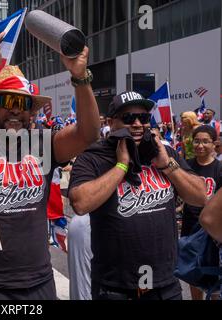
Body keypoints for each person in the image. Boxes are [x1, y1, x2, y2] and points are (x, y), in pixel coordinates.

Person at [0, 33, 100, 300]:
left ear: (31, 112)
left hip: (38, 281)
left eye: (22, 104)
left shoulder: (43, 144)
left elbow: (88, 134)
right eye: (7, 102)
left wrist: (81, 77)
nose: (15, 110)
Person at [69, 92, 207, 300]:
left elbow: (200, 196)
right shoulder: (93, 157)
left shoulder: (163, 153)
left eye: (143, 118)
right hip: (116, 288)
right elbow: (80, 203)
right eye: (128, 118)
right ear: (110, 122)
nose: (137, 124)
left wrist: (168, 166)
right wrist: (121, 166)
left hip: (165, 285)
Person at [180, 125, 222, 299]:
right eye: (197, 141)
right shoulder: (186, 166)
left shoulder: (219, 168)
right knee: (192, 273)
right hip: (190, 228)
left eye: (206, 141)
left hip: (211, 232)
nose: (200, 145)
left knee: (214, 276)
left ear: (214, 144)